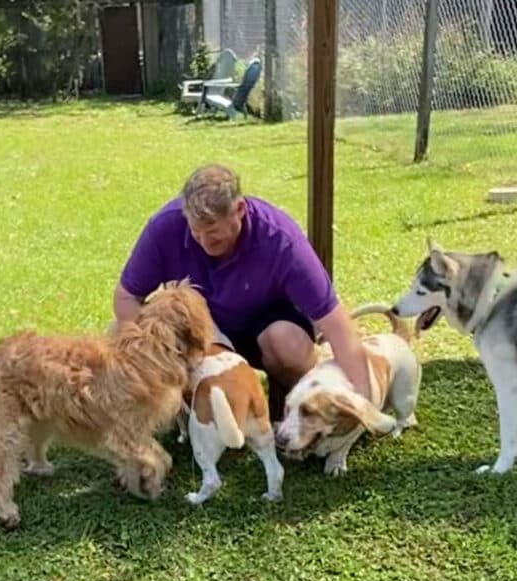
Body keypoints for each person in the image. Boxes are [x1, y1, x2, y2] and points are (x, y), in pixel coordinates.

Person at [113, 163, 371, 418]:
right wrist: (155, 348)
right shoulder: (164, 226)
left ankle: (291, 405)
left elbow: (336, 325)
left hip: (265, 328)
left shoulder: (281, 240)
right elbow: (126, 297)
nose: (204, 242)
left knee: (288, 343)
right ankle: (170, 409)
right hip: (200, 331)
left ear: (239, 210)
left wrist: (364, 403)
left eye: (213, 232)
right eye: (195, 232)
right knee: (120, 331)